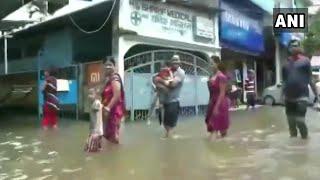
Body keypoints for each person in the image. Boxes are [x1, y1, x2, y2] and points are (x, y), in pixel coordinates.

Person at [282, 40, 319, 139]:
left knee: (300, 120)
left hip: (302, 96)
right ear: (289, 49)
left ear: (299, 48)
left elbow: (310, 78)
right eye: (292, 46)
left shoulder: (305, 61)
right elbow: (284, 81)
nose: (294, 47)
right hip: (289, 97)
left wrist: (317, 96)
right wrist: (282, 94)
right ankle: (294, 145)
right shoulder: (285, 63)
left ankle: (305, 138)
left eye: (296, 45)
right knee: (291, 122)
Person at [156, 55, 185, 138]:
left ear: (179, 62)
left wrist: (161, 82)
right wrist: (162, 85)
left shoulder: (180, 72)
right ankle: (172, 138)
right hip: (165, 101)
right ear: (171, 62)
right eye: (173, 60)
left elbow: (172, 85)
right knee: (165, 125)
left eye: (177, 60)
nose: (175, 62)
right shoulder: (168, 71)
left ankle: (168, 142)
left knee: (169, 127)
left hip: (173, 102)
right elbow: (155, 79)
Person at [101, 57, 126, 144]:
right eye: (106, 65)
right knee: (108, 136)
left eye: (110, 65)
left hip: (114, 112)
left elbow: (117, 95)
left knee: (113, 137)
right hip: (108, 111)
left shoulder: (114, 78)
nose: (108, 67)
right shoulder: (108, 79)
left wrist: (108, 108)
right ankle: (111, 154)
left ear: (114, 66)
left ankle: (116, 154)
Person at [205, 58, 230, 141]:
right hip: (212, 101)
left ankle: (222, 147)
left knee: (220, 129)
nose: (211, 65)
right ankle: (222, 145)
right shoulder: (211, 76)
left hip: (220, 103)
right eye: (210, 64)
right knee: (213, 126)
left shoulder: (221, 76)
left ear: (217, 64)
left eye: (212, 63)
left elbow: (222, 93)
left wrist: (216, 107)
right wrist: (210, 104)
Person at [147, 61, 174, 125]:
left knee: (162, 107)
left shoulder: (169, 73)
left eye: (164, 66)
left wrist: (166, 79)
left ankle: (163, 122)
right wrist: (154, 86)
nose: (163, 68)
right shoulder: (159, 74)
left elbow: (171, 80)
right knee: (153, 104)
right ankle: (149, 118)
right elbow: (152, 79)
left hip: (164, 92)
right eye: (162, 67)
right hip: (158, 91)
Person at [84, 88, 103, 152]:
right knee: (97, 148)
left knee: (88, 150)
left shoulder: (96, 103)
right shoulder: (95, 103)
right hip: (97, 130)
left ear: (96, 95)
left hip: (95, 131)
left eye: (91, 94)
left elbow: (98, 107)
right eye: (88, 94)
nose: (89, 96)